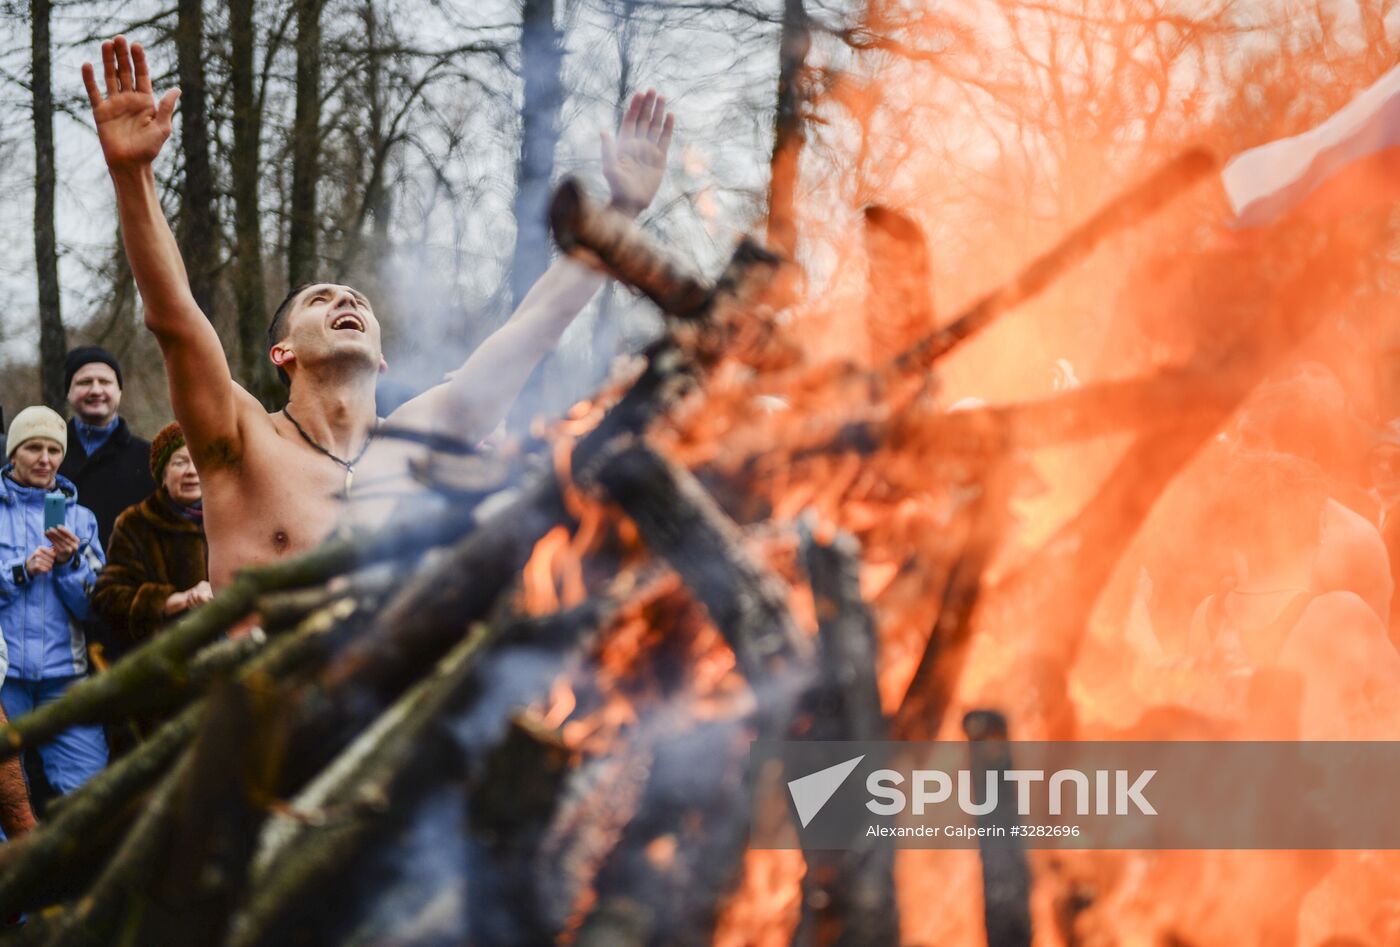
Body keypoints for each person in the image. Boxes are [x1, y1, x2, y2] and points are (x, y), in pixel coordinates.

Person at [85, 36, 675, 587]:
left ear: (383, 359)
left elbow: (532, 329)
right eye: (321, 300)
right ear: (281, 352)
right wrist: (133, 176)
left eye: (358, 302)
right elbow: (175, 319)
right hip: (266, 692)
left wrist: (618, 217)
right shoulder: (240, 441)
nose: (345, 300)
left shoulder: (415, 443)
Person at [0, 407, 108, 795]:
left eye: (53, 449)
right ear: (13, 454)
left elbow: (96, 605)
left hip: (65, 678)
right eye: (33, 448)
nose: (45, 459)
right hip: (2, 678)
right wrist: (18, 570)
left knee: (89, 793)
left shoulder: (82, 520)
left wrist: (70, 563)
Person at [93, 422, 211, 646]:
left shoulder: (234, 518)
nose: (192, 471)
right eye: (180, 462)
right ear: (163, 475)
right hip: (162, 658)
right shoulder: (136, 525)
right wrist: (175, 600)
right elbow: (108, 597)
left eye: (198, 459)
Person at [57, 346, 156, 551]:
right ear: (68, 392)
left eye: (104, 381)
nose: (95, 390)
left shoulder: (149, 458)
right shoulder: (47, 456)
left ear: (119, 390)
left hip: (129, 579)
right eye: (84, 382)